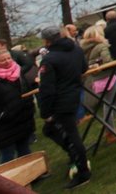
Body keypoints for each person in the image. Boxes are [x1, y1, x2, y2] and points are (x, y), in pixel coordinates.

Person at [37, 24, 91, 189]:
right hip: (74, 95)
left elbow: (47, 89)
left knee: (71, 135)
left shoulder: (49, 59)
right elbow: (83, 68)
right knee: (52, 130)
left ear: (47, 41)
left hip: (61, 101)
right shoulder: (75, 49)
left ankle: (82, 171)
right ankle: (76, 157)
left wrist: (45, 111)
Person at [0, 49, 36, 164]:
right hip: (5, 125)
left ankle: (31, 174)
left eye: (9, 58)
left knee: (24, 150)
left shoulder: (18, 73)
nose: (7, 61)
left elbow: (26, 91)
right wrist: (2, 115)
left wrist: (29, 107)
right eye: (3, 60)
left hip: (23, 119)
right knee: (8, 155)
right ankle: (6, 180)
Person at [80, 25, 116, 139]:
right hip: (106, 77)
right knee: (109, 104)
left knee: (110, 103)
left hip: (95, 79)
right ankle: (110, 132)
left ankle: (111, 129)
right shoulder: (101, 46)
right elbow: (107, 61)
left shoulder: (83, 49)